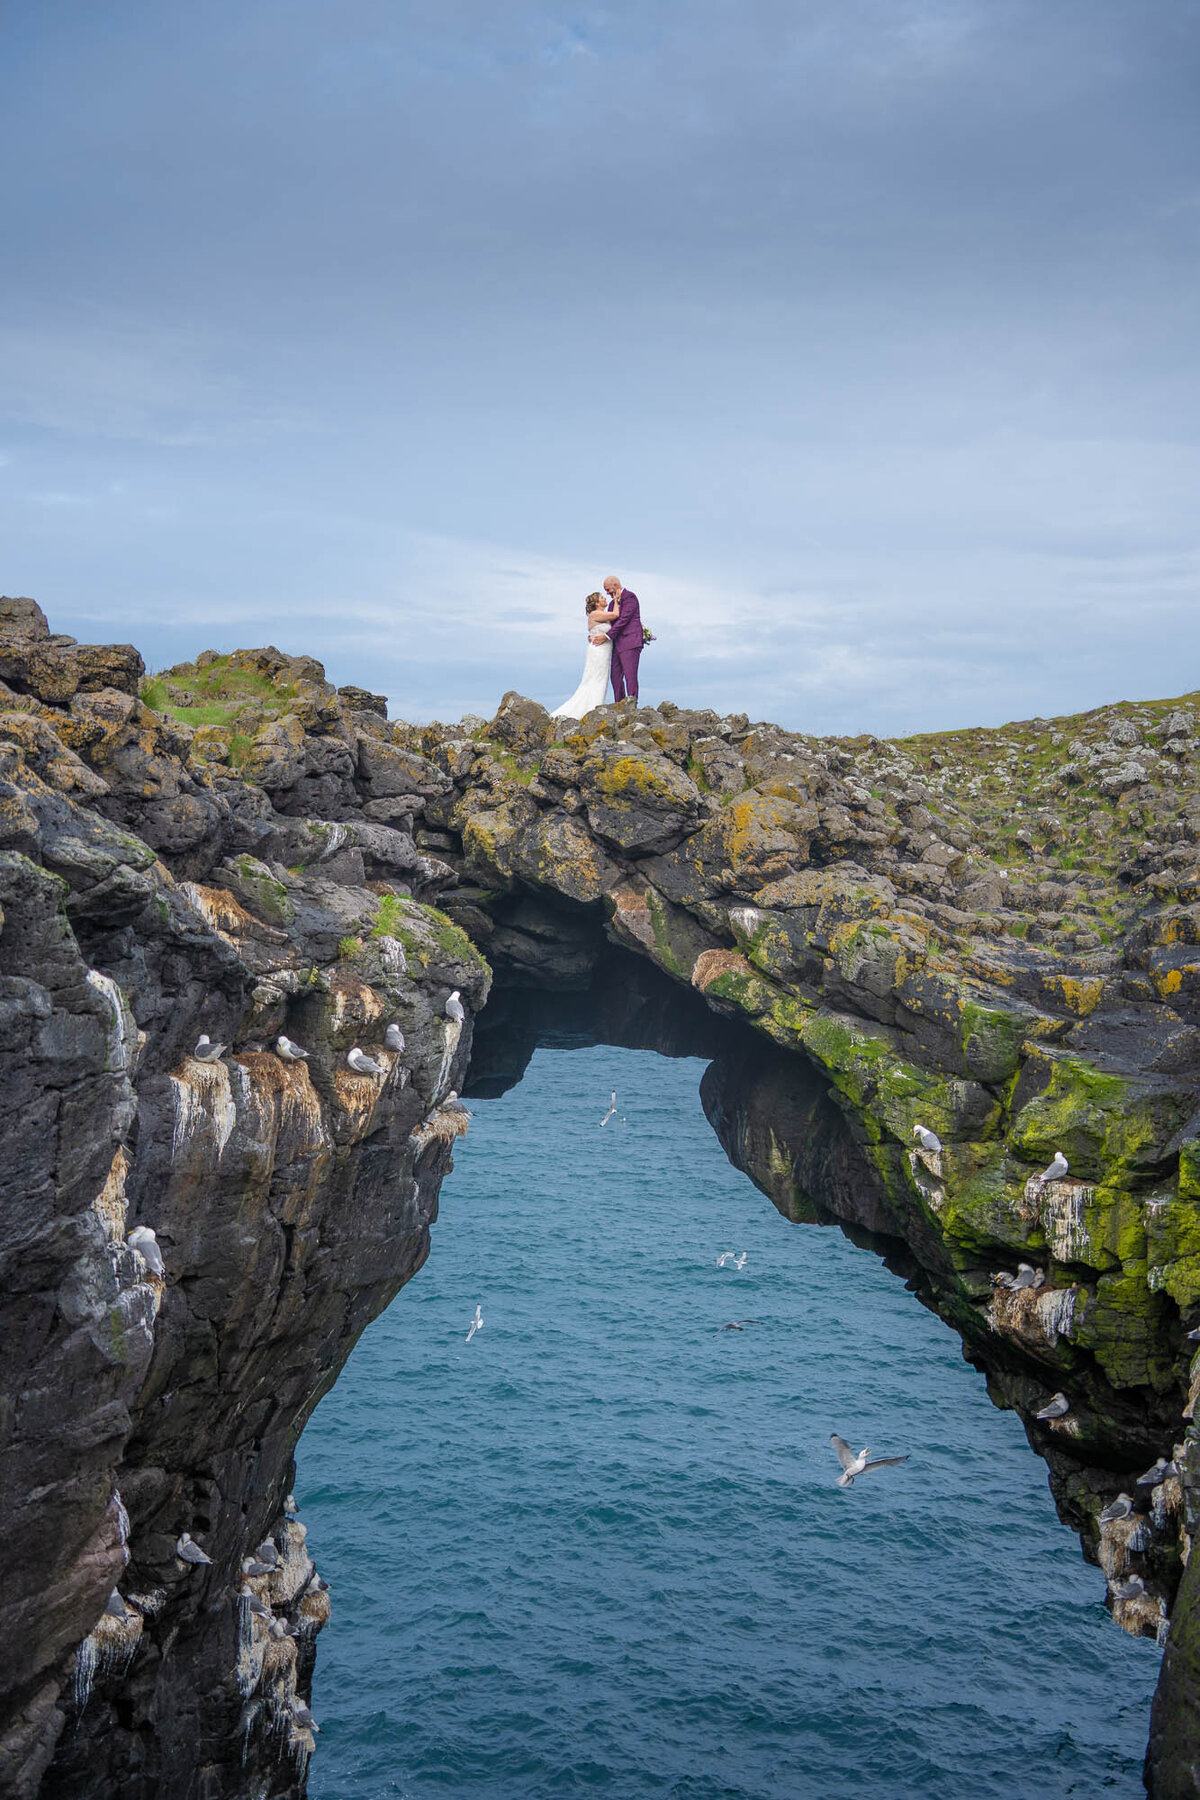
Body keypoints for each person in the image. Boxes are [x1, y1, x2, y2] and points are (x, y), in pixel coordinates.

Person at [550, 592, 619, 720]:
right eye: (602, 598)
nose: (605, 598)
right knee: (595, 679)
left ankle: (595, 706)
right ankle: (591, 709)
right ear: (597, 603)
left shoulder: (602, 615)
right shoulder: (595, 614)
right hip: (598, 651)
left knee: (600, 679)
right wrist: (616, 600)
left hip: (604, 651)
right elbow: (615, 614)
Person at [603, 574, 642, 701]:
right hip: (616, 644)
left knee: (630, 675)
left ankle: (631, 703)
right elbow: (608, 622)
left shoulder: (630, 597)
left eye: (608, 589)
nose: (607, 593)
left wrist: (607, 636)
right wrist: (596, 633)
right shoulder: (611, 604)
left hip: (630, 642)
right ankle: (619, 704)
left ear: (615, 585)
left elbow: (624, 620)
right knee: (615, 677)